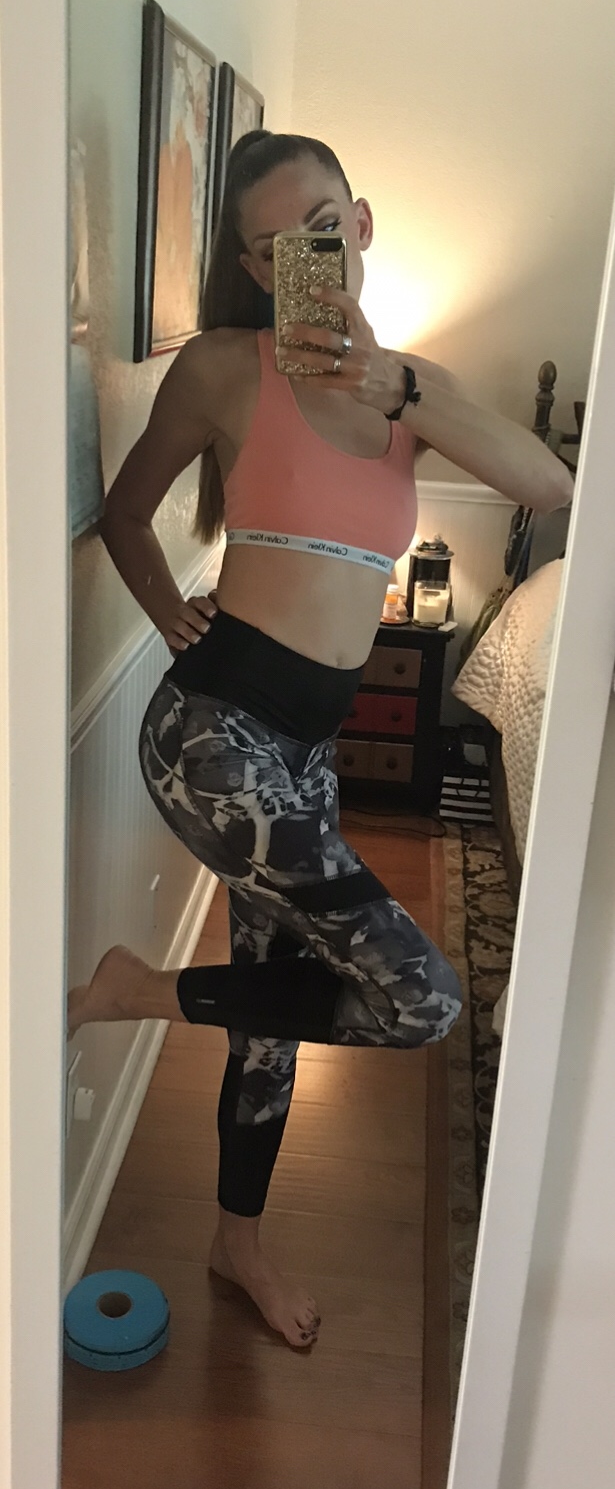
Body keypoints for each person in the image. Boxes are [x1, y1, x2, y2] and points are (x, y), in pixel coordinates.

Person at [68, 130, 572, 1349]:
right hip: (212, 735)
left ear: (363, 222)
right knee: (421, 996)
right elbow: (127, 512)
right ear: (253, 267)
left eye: (327, 227)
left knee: (274, 1020)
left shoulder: (414, 392)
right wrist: (165, 612)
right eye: (278, 245)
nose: (311, 254)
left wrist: (400, 389)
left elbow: (553, 488)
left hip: (303, 755)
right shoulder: (224, 368)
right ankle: (133, 989)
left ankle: (237, 1241)